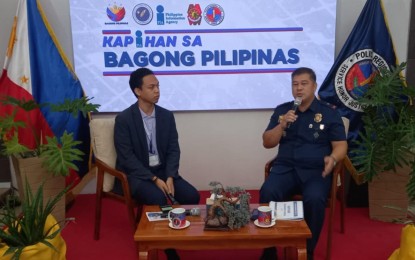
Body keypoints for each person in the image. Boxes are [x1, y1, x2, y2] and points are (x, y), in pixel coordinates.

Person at [259, 67, 348, 260]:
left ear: (314, 86)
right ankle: (269, 247)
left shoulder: (329, 113)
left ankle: (307, 250)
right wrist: (281, 125)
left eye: (304, 84)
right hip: (285, 169)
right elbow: (267, 142)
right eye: (295, 84)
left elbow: (341, 145)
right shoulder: (283, 110)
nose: (299, 88)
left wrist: (332, 159)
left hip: (315, 171)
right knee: (268, 192)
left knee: (315, 199)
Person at [114, 67, 200, 260]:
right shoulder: (124, 119)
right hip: (137, 175)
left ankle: (176, 229)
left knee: (191, 195)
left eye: (158, 86)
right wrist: (153, 179)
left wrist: (169, 176)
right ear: (138, 91)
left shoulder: (166, 116)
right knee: (158, 199)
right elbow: (126, 158)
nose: (157, 91)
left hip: (163, 171)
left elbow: (173, 149)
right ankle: (168, 247)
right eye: (151, 87)